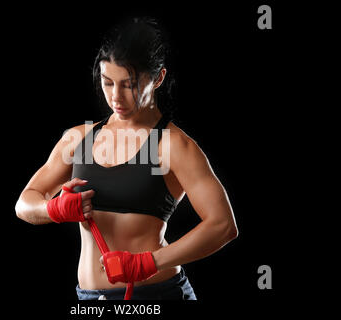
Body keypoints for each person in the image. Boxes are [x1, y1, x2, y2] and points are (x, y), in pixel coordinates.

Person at [15, 17, 238, 300]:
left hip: (158, 294)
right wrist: (54, 210)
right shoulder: (79, 137)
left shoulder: (174, 145)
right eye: (107, 83)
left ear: (158, 78)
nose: (116, 97)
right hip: (89, 299)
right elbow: (24, 203)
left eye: (129, 85)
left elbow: (223, 225)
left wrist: (147, 264)